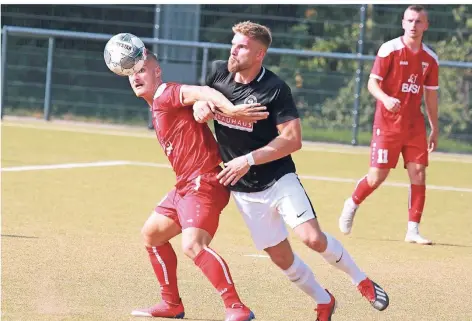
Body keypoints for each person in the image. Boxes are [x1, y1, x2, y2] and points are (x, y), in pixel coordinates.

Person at [193, 21, 389, 321]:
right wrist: (201, 107)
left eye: (242, 46)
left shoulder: (274, 89)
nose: (234, 49)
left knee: (312, 238)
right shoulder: (219, 71)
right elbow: (198, 99)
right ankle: (324, 301)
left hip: (278, 179)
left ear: (260, 54)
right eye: (234, 43)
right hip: (244, 190)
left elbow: (293, 140)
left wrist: (248, 159)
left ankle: (361, 280)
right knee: (280, 257)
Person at [128, 50, 268, 321]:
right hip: (185, 186)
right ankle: (171, 304)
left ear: (158, 72)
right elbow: (196, 104)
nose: (136, 77)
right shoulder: (157, 104)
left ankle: (236, 307)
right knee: (152, 235)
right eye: (132, 73)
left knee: (193, 245)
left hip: (204, 182)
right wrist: (198, 108)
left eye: (142, 70)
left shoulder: (164, 92)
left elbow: (203, 91)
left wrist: (230, 109)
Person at [339, 5, 439, 245]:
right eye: (409, 21)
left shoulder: (430, 59)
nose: (413, 26)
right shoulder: (390, 50)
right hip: (387, 123)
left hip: (414, 125)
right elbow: (372, 84)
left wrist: (434, 127)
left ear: (426, 25)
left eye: (418, 21)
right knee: (377, 177)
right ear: (403, 23)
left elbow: (431, 96)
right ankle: (352, 203)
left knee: (419, 173)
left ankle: (412, 230)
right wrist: (386, 99)